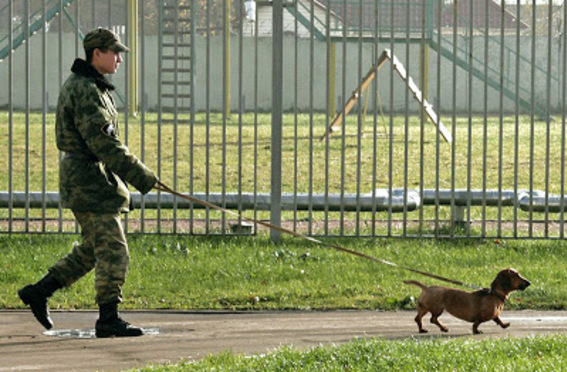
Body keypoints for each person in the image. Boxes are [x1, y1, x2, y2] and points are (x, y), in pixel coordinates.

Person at [18, 28, 158, 338]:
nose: (119, 58)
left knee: (94, 249)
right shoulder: (85, 90)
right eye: (114, 52)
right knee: (113, 251)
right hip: (87, 182)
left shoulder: (94, 87)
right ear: (97, 54)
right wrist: (142, 177)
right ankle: (108, 318)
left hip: (92, 181)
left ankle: (39, 291)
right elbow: (104, 144)